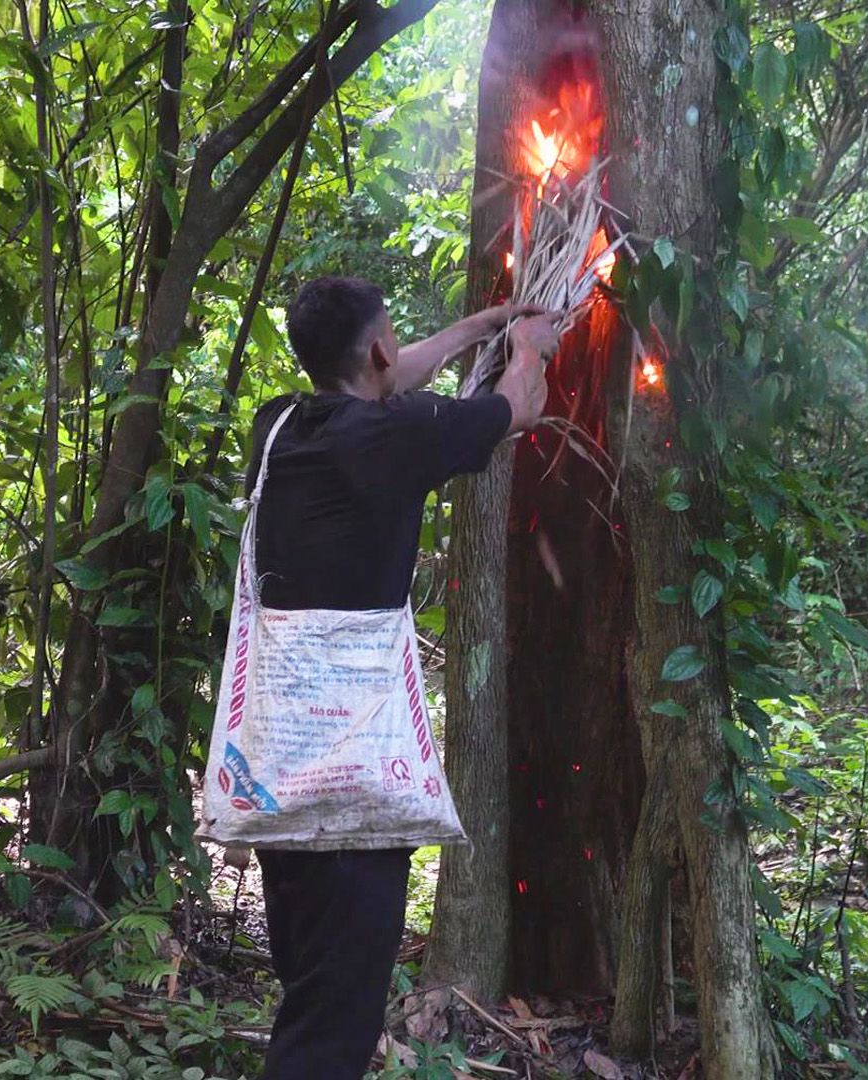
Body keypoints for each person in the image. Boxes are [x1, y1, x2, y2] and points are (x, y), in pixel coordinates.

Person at [242, 276, 558, 1079]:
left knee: (313, 985)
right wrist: (524, 347)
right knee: (333, 1021)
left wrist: (476, 325)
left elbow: (392, 374)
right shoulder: (400, 438)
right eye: (392, 339)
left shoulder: (278, 426)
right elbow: (519, 405)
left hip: (275, 775)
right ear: (378, 349)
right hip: (351, 790)